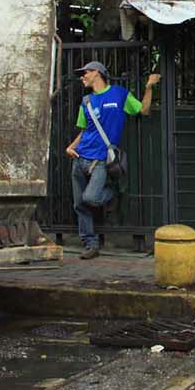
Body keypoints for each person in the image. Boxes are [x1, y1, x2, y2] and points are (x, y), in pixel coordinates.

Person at [65, 61, 159, 259]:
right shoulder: (86, 101)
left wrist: (149, 87)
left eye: (85, 73)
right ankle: (90, 244)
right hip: (80, 157)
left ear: (97, 73)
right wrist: (71, 147)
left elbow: (143, 110)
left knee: (89, 198)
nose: (82, 77)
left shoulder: (119, 94)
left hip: (100, 160)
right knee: (79, 205)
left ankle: (113, 195)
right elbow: (84, 131)